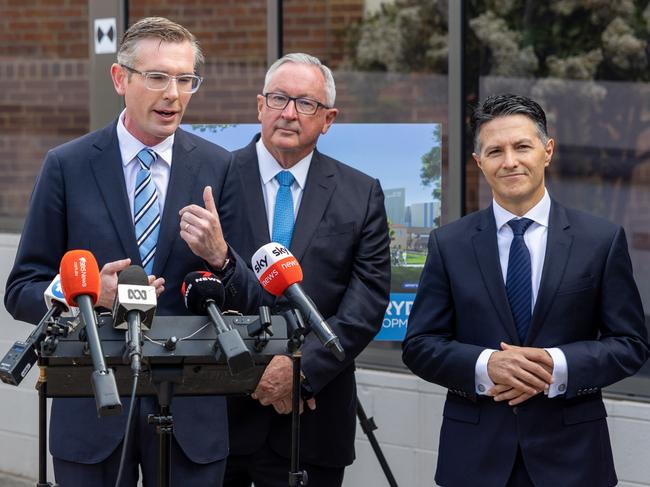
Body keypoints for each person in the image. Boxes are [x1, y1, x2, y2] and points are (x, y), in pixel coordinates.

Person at [5, 17, 233, 486]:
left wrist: (221, 256)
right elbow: (21, 289)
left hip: (190, 411)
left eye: (185, 79)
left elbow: (251, 293)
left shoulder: (220, 167)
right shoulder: (67, 165)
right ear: (120, 79)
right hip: (94, 407)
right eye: (157, 77)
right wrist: (86, 294)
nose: (173, 93)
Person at [402, 93, 649, 487]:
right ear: (479, 163)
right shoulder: (449, 244)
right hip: (474, 460)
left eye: (522, 146)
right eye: (495, 151)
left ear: (547, 151)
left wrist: (557, 366)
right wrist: (487, 366)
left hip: (573, 459)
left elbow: (631, 344)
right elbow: (419, 345)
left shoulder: (599, 240)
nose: (510, 161)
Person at [215, 53, 391, 487]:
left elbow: (366, 303)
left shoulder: (361, 193)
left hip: (313, 419)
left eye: (306, 103)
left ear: (328, 119)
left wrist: (301, 370)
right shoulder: (213, 178)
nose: (289, 113)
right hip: (220, 414)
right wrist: (255, 371)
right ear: (260, 106)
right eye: (279, 98)